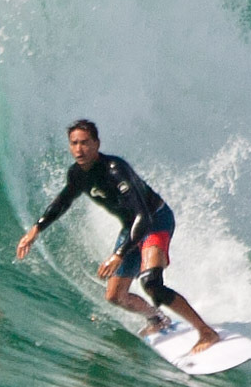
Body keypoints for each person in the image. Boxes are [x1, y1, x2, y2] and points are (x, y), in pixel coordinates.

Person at [16, 119, 222, 353]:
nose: (79, 149)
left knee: (151, 283)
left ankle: (206, 332)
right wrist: (36, 229)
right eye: (74, 143)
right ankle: (157, 319)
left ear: (97, 144)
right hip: (131, 227)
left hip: (154, 220)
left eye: (84, 143)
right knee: (115, 296)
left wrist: (118, 255)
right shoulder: (77, 174)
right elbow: (62, 202)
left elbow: (142, 216)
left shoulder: (115, 170)